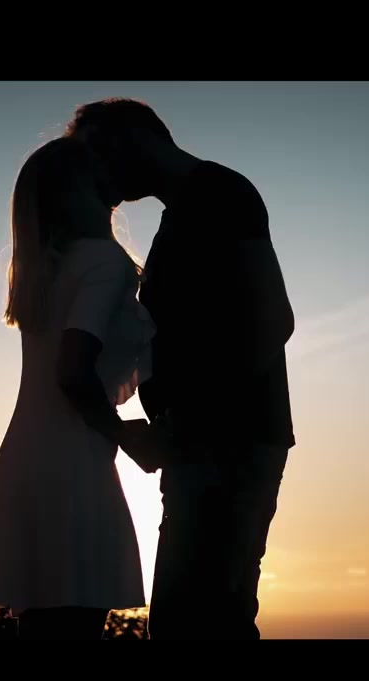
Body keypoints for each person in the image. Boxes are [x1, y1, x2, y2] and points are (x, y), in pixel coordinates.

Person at [66, 98, 296, 640]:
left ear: (134, 136)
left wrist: (188, 419)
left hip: (229, 441)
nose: (95, 171)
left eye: (98, 151)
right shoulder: (186, 210)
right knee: (199, 617)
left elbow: (272, 320)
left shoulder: (221, 194)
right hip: (203, 443)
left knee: (199, 617)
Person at [0, 136, 154, 640]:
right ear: (79, 188)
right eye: (98, 170)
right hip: (73, 474)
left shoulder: (47, 270)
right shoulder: (103, 262)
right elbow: (72, 369)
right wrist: (127, 437)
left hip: (26, 468)